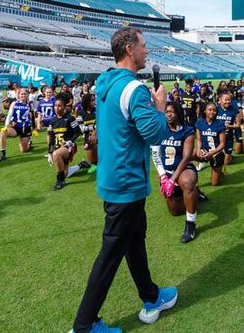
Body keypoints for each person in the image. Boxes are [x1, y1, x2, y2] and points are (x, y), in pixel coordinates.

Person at [72, 28, 176, 332]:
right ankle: (84, 326)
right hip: (126, 182)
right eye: (144, 46)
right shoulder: (133, 89)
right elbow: (155, 133)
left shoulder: (105, 82)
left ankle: (151, 296)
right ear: (130, 49)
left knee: (134, 240)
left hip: (114, 177)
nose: (147, 52)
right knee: (110, 254)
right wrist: (160, 107)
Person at [151, 101, 198, 243]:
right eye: (166, 112)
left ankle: (191, 224)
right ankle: (193, 196)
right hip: (166, 171)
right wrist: (164, 177)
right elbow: (155, 155)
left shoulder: (187, 131)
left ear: (178, 113)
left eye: (172, 112)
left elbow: (186, 157)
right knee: (175, 212)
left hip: (183, 169)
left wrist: (173, 179)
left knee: (188, 182)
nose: (169, 115)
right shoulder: (160, 129)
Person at [47, 93, 86, 190]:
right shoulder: (52, 120)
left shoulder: (69, 118)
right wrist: (49, 152)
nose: (57, 108)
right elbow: (51, 137)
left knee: (56, 155)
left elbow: (78, 132)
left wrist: (70, 142)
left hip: (69, 146)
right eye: (55, 106)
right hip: (58, 146)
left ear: (64, 107)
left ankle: (59, 180)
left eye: (60, 106)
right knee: (65, 173)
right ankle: (81, 165)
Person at [195, 101, 228, 186]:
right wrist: (199, 150)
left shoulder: (220, 124)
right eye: (209, 110)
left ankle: (220, 172)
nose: (212, 112)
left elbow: (222, 144)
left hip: (216, 152)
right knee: (189, 154)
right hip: (204, 150)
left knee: (214, 183)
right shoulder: (199, 123)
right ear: (205, 111)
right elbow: (198, 140)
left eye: (214, 110)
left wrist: (211, 153)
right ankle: (191, 180)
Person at [0, 88, 33, 160]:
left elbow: (32, 116)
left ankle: (28, 143)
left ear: (27, 95)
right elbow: (9, 115)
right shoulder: (14, 103)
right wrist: (6, 125)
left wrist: (35, 127)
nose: (23, 95)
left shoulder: (30, 104)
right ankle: (2, 152)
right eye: (22, 94)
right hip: (16, 126)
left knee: (23, 150)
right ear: (19, 95)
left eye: (25, 94)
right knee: (3, 132)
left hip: (26, 127)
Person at [77, 93, 98, 174]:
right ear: (86, 102)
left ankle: (93, 163)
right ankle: (92, 164)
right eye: (92, 100)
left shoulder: (97, 111)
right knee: (88, 145)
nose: (94, 102)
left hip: (99, 136)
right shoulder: (81, 113)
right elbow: (80, 128)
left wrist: (93, 129)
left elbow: (100, 124)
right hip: (87, 138)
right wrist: (93, 127)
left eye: (94, 100)